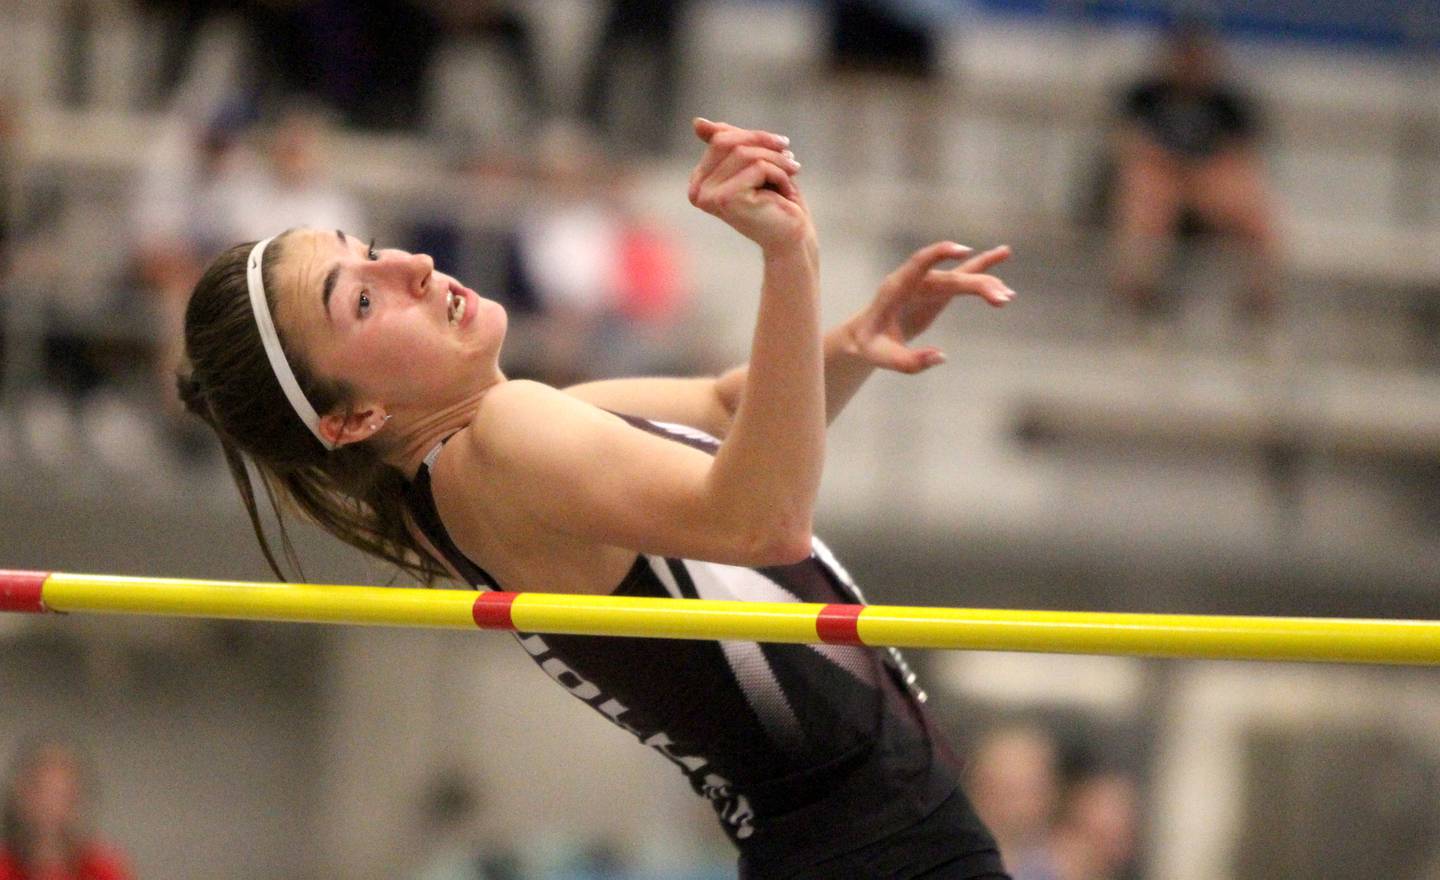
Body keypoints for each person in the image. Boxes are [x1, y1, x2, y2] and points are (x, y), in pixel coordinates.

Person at [177, 117, 1017, 878]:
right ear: (355, 417)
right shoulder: (507, 437)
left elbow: (733, 411)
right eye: (362, 299)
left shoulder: (501, 448)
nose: (411, 264)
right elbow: (766, 519)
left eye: (364, 247)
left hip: (864, 846)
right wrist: (788, 256)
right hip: (880, 854)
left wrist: (854, 342)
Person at [1108, 20, 1281, 329]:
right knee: (1146, 198)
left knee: (1253, 212)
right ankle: (1137, 302)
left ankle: (1260, 309)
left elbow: (1240, 153)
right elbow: (1129, 145)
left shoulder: (1228, 104)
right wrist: (1174, 169)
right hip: (1161, 181)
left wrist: (1197, 177)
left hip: (1207, 185)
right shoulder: (1145, 96)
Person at [0, 740, 132, 880]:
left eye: (61, 795)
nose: (49, 807)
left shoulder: (103, 870)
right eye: (40, 792)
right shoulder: (4, 867)